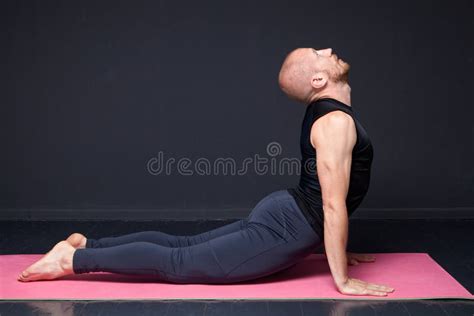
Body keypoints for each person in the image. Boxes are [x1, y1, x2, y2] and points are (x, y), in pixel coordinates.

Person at [17, 47, 394, 297]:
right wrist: (341, 279)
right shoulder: (334, 123)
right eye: (318, 53)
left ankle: (85, 245)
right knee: (178, 262)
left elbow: (332, 197)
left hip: (286, 214)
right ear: (317, 81)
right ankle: (72, 261)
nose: (327, 49)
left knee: (183, 246)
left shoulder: (330, 116)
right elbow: (331, 204)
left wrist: (340, 248)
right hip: (289, 225)